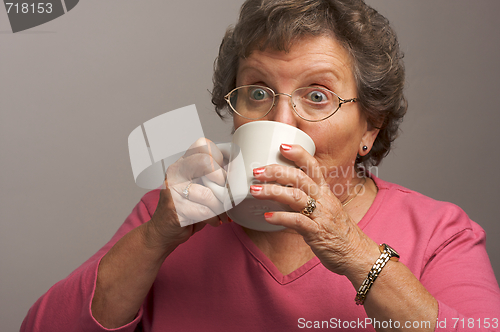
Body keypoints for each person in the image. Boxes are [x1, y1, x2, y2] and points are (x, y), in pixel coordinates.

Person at [21, 0, 500, 331]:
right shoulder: (170, 214)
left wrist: (352, 250)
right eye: (258, 91)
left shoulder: (439, 232)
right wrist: (154, 238)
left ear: (369, 129)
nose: (281, 119)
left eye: (317, 95)